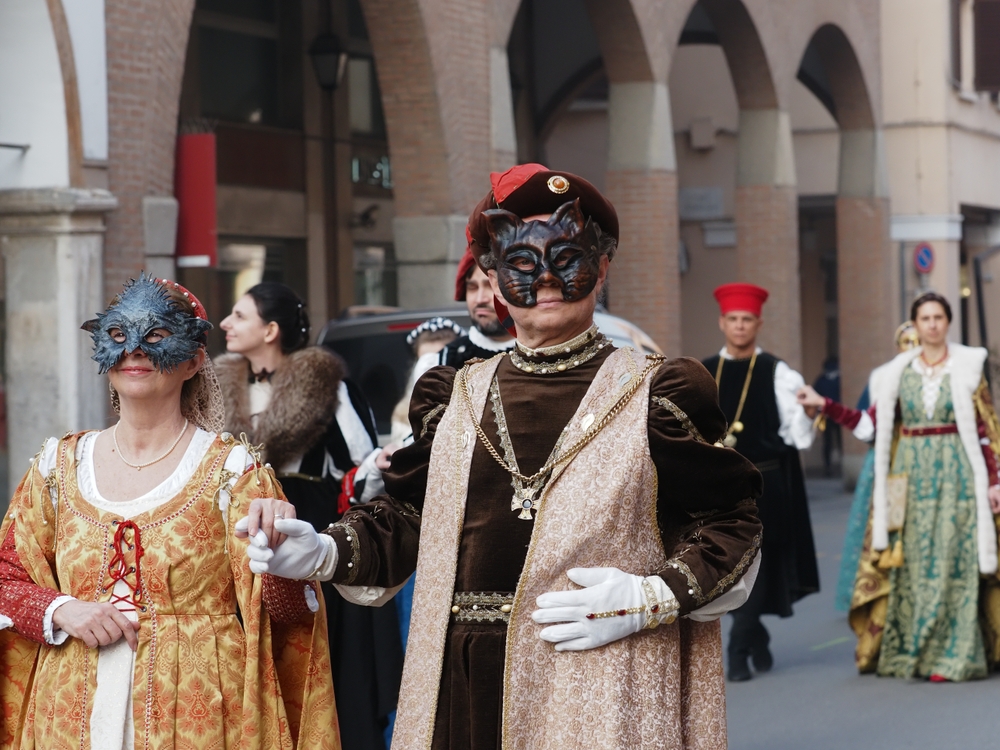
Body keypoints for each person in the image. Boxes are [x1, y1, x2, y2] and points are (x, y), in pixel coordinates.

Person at [240, 163, 764, 750]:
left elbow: (730, 520)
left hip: (600, 684)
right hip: (465, 688)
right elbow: (412, 517)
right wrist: (326, 548)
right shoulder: (453, 396)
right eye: (521, 263)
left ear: (603, 266)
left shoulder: (659, 393)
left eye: (566, 258)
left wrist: (652, 596)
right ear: (492, 278)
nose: (544, 280)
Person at [0, 274, 336, 748]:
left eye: (156, 336)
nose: (134, 351)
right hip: (65, 710)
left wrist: (280, 550)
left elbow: (282, 616)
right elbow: (5, 577)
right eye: (118, 336)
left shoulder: (234, 472)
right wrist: (60, 609)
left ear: (194, 360)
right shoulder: (57, 467)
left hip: (196, 714)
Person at [216, 282, 402, 749]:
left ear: (271, 330)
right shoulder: (214, 390)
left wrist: (373, 472)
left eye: (238, 315)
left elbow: (360, 464)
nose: (225, 324)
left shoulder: (328, 386)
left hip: (312, 534)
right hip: (238, 538)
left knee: (328, 666)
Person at [799, 292, 1000, 680]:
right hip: (908, 481)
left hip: (957, 477)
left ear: (947, 321)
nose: (932, 324)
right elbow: (870, 425)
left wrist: (995, 481)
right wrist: (825, 405)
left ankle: (954, 655)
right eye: (925, 317)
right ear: (916, 323)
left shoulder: (968, 368)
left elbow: (986, 431)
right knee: (914, 565)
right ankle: (914, 652)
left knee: (952, 563)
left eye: (938, 316)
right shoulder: (896, 373)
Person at [702, 283, 819, 682]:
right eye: (732, 319)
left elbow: (799, 436)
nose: (739, 326)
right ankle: (758, 634)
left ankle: (737, 650)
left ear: (758, 323)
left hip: (766, 487)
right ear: (722, 322)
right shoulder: (703, 371)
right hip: (717, 489)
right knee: (724, 568)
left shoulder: (777, 372)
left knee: (758, 566)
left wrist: (808, 412)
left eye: (746, 320)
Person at [798, 321, 919, 612]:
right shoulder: (887, 377)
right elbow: (867, 424)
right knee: (895, 537)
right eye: (907, 341)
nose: (913, 347)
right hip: (894, 468)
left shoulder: (954, 373)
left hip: (944, 472)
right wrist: (825, 404)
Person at [436, 249, 515, 369]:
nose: (480, 299)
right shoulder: (446, 359)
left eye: (490, 286)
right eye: (472, 287)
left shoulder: (542, 353)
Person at [391, 317, 464, 444]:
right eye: (425, 361)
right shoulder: (402, 414)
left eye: (438, 360)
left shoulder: (472, 403)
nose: (430, 369)